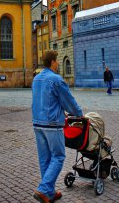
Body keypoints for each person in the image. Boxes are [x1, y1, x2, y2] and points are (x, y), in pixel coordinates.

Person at [32, 50, 83, 203]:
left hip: (38, 123)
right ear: (53, 62)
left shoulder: (37, 79)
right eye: (57, 60)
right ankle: (43, 189)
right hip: (52, 125)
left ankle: (49, 192)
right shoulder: (56, 79)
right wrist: (79, 114)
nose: (59, 63)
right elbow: (68, 101)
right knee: (58, 156)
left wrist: (61, 112)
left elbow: (44, 101)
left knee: (44, 159)